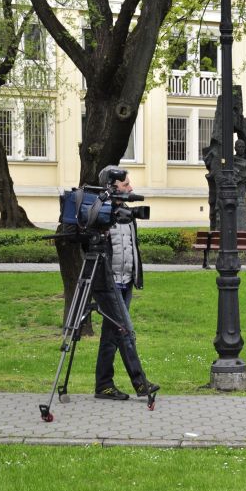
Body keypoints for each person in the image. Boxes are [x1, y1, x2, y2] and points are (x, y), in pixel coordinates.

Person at [92, 166, 158, 401]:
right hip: (106, 282)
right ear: (112, 187)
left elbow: (132, 248)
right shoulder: (98, 214)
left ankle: (103, 385)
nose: (130, 188)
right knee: (125, 331)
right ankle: (140, 384)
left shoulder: (128, 214)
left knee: (111, 334)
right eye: (126, 185)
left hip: (125, 281)